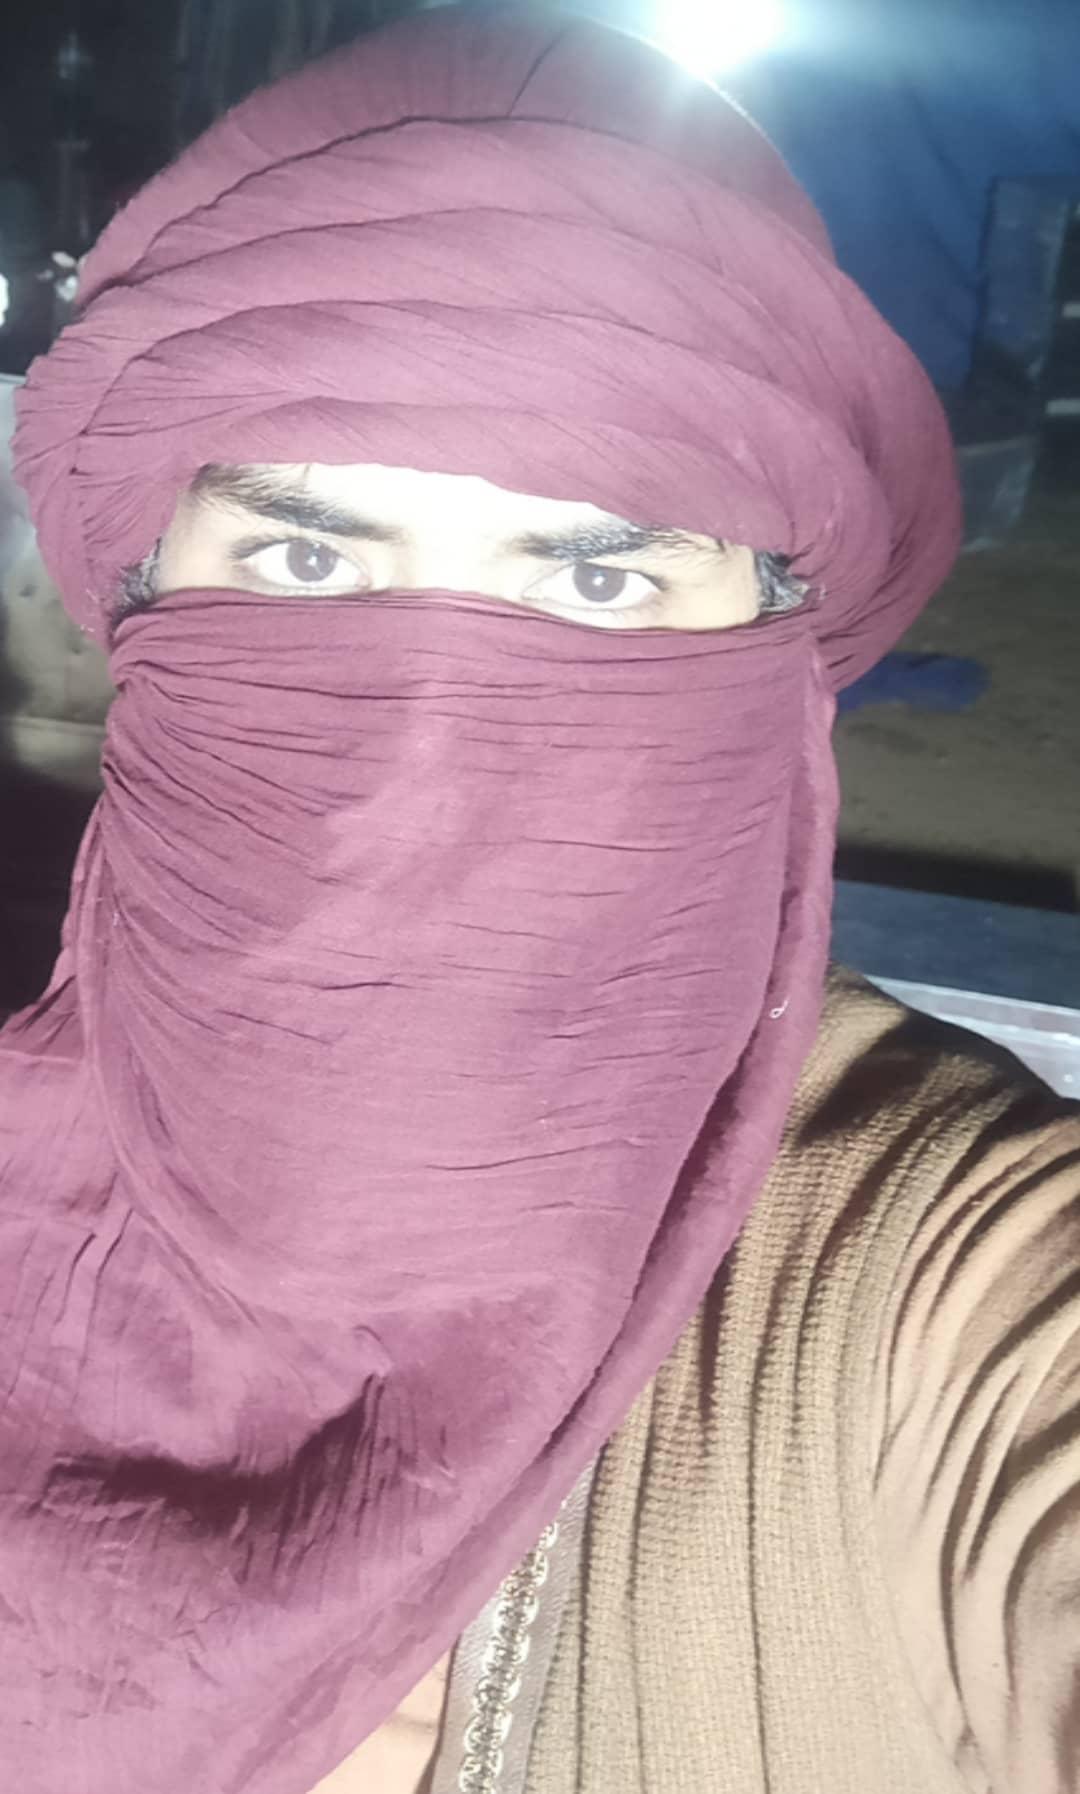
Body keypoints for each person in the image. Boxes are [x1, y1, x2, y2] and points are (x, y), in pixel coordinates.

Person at [2, 8, 1077, 1794]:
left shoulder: (926, 1284)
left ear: (779, 666)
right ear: (140, 610)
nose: (434, 731)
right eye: (308, 557)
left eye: (595, 578)